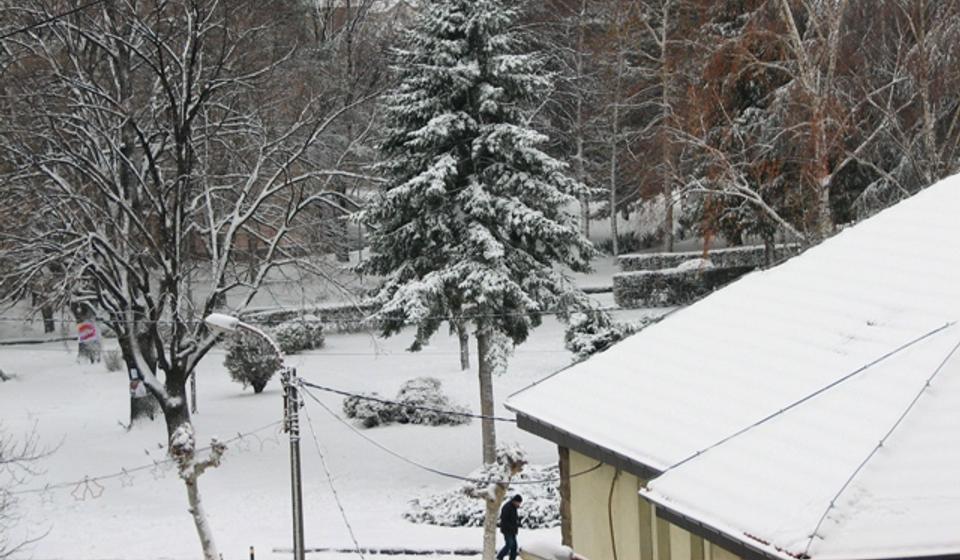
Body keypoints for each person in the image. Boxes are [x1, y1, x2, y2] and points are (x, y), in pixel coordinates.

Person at [497, 494, 523, 560]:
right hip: (507, 530)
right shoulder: (507, 507)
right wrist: (511, 527)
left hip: (512, 530)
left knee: (514, 546)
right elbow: (504, 519)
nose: (519, 504)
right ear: (515, 501)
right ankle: (499, 557)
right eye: (518, 503)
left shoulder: (513, 507)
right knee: (509, 545)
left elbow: (514, 518)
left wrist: (517, 524)